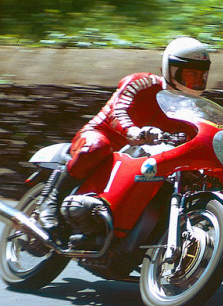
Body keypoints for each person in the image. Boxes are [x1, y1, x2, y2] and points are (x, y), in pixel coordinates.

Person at [39, 36, 211, 237]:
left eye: (200, 75)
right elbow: (118, 111)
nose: (195, 81)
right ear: (171, 69)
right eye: (190, 74)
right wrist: (133, 132)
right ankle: (49, 202)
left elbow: (196, 139)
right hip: (105, 136)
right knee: (96, 147)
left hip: (140, 157)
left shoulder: (191, 110)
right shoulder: (141, 82)